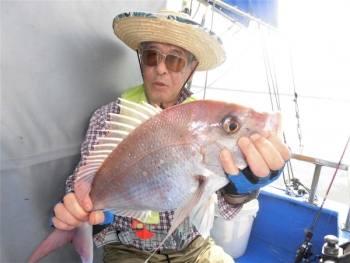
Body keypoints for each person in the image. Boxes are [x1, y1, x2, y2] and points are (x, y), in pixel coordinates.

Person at [50, 10, 291, 263]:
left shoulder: (207, 121)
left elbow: (225, 205)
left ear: (191, 68)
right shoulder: (109, 117)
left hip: (196, 247)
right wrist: (80, 211)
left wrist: (242, 188)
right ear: (141, 60)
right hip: (129, 249)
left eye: (175, 60)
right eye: (151, 56)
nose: (161, 69)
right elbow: (80, 186)